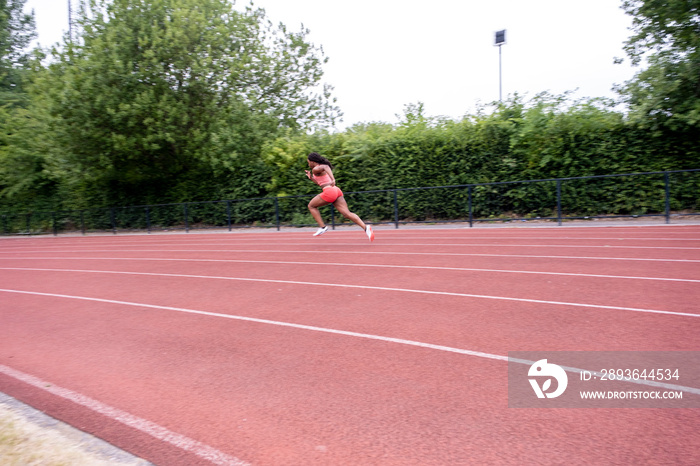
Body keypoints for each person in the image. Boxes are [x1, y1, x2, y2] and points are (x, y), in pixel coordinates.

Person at [305, 152, 374, 241]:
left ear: (312, 161)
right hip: (336, 190)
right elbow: (321, 183)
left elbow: (326, 167)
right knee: (347, 214)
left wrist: (333, 179)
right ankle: (366, 228)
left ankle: (322, 227)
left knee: (311, 206)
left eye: (308, 162)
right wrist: (311, 178)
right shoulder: (317, 170)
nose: (308, 164)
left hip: (329, 191)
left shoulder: (316, 168)